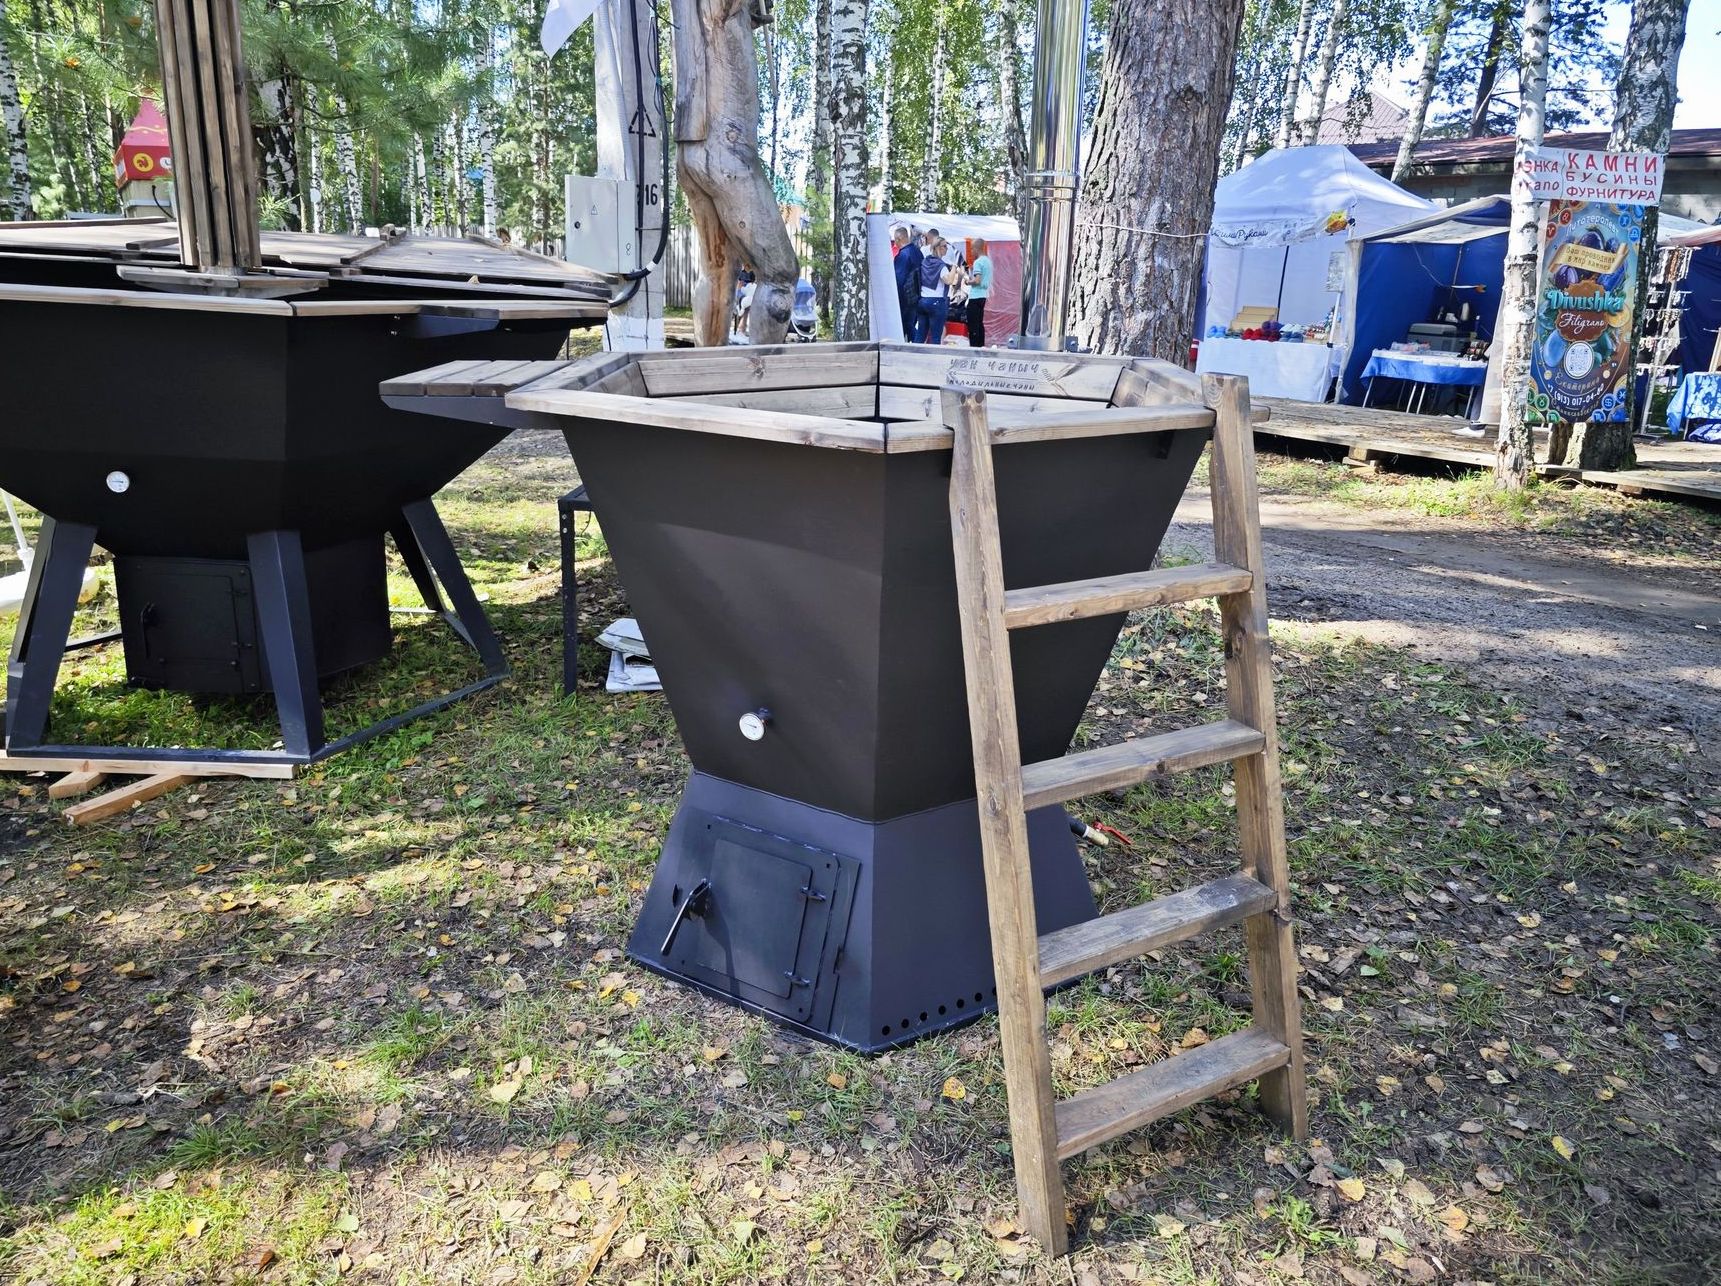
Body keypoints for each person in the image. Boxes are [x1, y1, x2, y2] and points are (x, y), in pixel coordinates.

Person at [912, 237, 960, 344]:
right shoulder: (941, 266)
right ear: (938, 248)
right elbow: (949, 280)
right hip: (937, 302)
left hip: (922, 301)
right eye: (944, 246)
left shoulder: (924, 262)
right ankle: (934, 356)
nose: (947, 248)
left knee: (920, 335)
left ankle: (914, 354)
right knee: (935, 337)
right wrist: (954, 267)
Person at [893, 226, 922, 339]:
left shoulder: (903, 255)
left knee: (906, 325)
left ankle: (916, 345)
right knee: (911, 323)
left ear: (899, 239)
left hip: (905, 297)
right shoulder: (918, 252)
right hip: (917, 294)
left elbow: (899, 279)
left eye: (895, 240)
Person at [965, 238, 992, 348]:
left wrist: (968, 282)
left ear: (977, 248)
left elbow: (977, 280)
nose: (971, 251)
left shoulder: (978, 262)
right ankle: (981, 346)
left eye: (972, 249)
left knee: (973, 325)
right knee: (980, 323)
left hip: (975, 296)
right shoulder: (988, 261)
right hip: (983, 295)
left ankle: (974, 348)